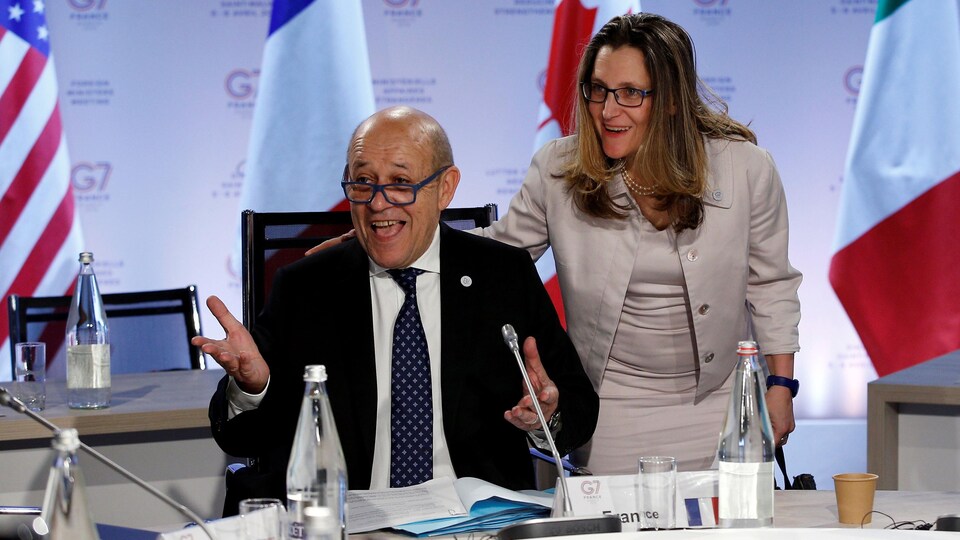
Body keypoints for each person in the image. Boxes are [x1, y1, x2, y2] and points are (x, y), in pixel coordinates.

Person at [194, 106, 599, 514]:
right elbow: (242, 439)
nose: (378, 203)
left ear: (445, 188)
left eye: (401, 183)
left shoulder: (502, 277)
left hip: (473, 522)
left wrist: (549, 414)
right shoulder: (305, 289)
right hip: (349, 524)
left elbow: (578, 410)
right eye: (363, 182)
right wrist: (251, 388)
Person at [478, 13, 802, 474]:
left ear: (670, 101)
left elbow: (771, 284)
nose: (609, 111)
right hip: (612, 405)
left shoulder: (745, 169)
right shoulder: (559, 168)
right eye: (598, 89)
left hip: (720, 401)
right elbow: (496, 256)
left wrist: (781, 385)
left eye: (631, 93)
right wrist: (388, 239)